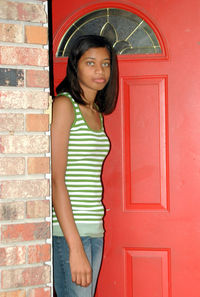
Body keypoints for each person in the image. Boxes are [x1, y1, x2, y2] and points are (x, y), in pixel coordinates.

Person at [51, 34, 118, 297]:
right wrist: (74, 247)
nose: (100, 71)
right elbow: (57, 180)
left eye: (105, 63)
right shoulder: (65, 106)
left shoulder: (95, 113)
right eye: (90, 63)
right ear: (75, 65)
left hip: (94, 228)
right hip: (70, 233)